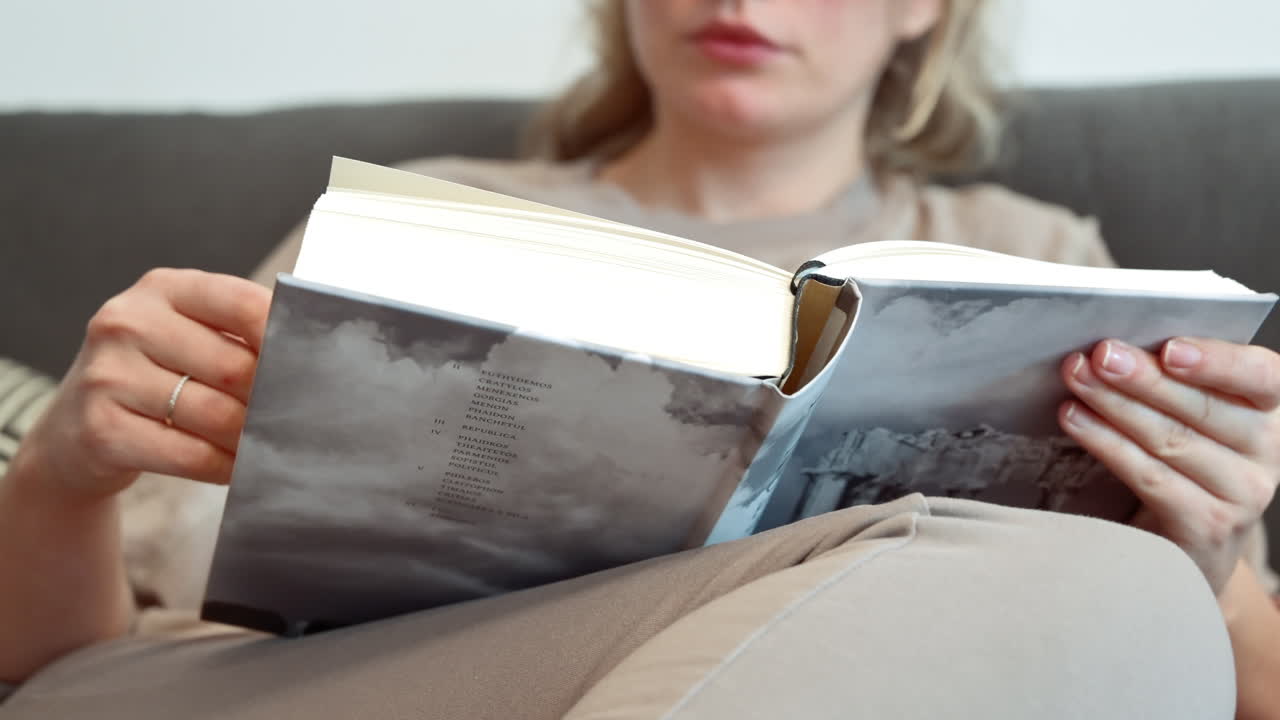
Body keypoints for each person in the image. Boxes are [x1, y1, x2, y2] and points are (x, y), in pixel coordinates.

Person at [2, 0, 1278, 717]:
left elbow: (1235, 679)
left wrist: (1202, 555)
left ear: (920, 9)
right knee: (1089, 595)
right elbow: (46, 674)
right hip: (277, 694)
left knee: (1134, 606)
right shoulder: (431, 212)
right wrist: (62, 471)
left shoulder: (1038, 255)